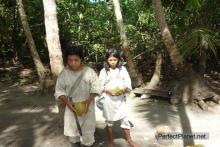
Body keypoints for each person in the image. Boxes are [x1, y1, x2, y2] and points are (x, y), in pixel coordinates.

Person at [54, 45, 101, 147]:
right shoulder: (64, 74)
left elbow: (96, 88)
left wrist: (88, 102)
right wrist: (68, 103)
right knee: (73, 137)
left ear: (81, 59)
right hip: (71, 109)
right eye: (70, 60)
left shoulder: (89, 72)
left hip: (87, 109)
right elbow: (59, 91)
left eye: (76, 60)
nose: (73, 63)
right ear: (67, 60)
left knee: (88, 136)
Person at [99, 49, 138, 147]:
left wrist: (124, 89)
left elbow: (128, 83)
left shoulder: (122, 69)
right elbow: (99, 85)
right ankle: (111, 142)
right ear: (107, 60)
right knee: (109, 121)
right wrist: (108, 91)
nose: (112, 62)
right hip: (108, 100)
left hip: (120, 100)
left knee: (124, 119)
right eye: (110, 60)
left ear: (118, 60)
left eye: (114, 60)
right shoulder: (104, 71)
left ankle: (129, 140)